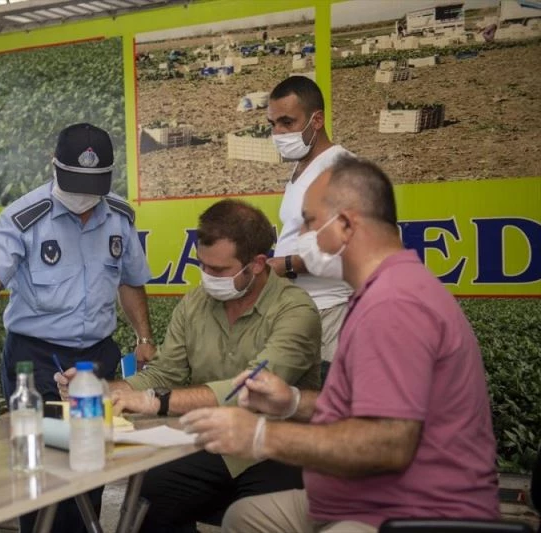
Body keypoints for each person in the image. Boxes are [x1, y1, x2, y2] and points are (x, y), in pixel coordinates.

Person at [181, 156, 500, 533]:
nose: (299, 238)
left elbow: (388, 443)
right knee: (245, 517)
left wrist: (262, 436)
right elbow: (365, 408)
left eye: (309, 223)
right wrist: (293, 402)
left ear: (346, 224)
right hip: (363, 497)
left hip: (415, 510)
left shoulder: (394, 305)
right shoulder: (383, 291)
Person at [57, 199, 322, 533]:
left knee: (256, 517)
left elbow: (250, 389)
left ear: (256, 264)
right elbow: (164, 372)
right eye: (203, 265)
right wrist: (104, 390)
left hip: (276, 448)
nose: (208, 277)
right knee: (150, 493)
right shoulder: (195, 303)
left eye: (220, 270)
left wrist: (158, 401)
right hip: (212, 445)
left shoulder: (295, 311)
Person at [0, 122, 155, 533]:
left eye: (93, 184)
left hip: (96, 360)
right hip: (38, 358)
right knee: (44, 467)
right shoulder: (24, 217)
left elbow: (130, 280)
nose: (84, 196)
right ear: (55, 168)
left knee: (93, 461)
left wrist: (144, 338)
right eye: (75, 182)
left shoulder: (119, 215)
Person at [266, 76, 353, 380]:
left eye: (287, 122)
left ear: (316, 120)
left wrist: (286, 265)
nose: (278, 133)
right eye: (273, 123)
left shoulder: (340, 168)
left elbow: (347, 251)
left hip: (331, 313)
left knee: (329, 408)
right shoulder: (301, 167)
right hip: (302, 311)